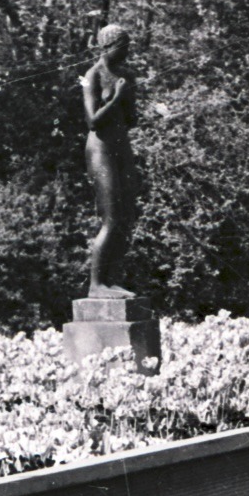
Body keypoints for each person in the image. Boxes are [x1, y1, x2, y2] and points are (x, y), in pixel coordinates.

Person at [82, 24, 138, 299]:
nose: (127, 53)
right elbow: (92, 120)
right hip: (100, 150)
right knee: (111, 217)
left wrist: (129, 97)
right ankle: (96, 284)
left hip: (120, 148)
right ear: (107, 46)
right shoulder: (92, 76)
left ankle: (110, 280)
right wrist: (116, 98)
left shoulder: (124, 75)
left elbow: (132, 120)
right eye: (123, 47)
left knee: (126, 216)